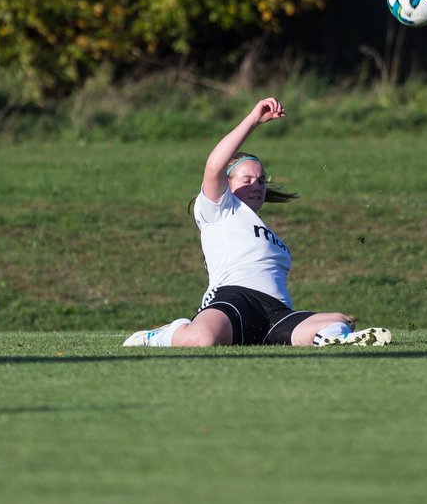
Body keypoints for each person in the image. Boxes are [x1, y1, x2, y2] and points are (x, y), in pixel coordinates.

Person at [122, 96, 392, 348]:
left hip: (275, 312)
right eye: (247, 180)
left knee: (338, 320)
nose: (257, 186)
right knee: (201, 339)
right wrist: (253, 120)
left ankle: (336, 338)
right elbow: (214, 166)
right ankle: (167, 333)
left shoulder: (266, 231)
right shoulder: (219, 210)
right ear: (227, 185)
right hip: (234, 300)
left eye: (261, 181)